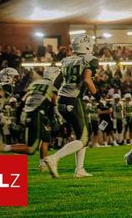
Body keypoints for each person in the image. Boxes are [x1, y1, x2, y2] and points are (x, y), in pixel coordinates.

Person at [43, 34, 100, 178]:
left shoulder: (66, 60)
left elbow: (56, 83)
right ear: (86, 45)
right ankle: (54, 158)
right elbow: (87, 80)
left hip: (62, 99)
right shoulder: (89, 59)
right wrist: (99, 98)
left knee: (82, 135)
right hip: (74, 100)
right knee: (83, 139)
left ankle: (79, 169)